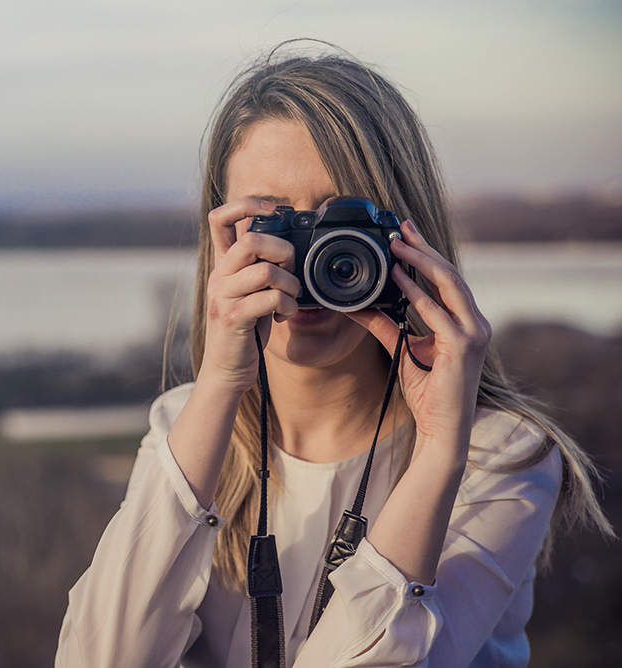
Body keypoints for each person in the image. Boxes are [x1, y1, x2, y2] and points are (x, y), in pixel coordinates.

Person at [55, 45, 613, 668]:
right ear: (221, 241)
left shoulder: (496, 456)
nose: (311, 261)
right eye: (274, 224)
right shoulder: (185, 427)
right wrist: (218, 385)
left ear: (410, 236)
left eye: (342, 224)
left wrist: (436, 453)